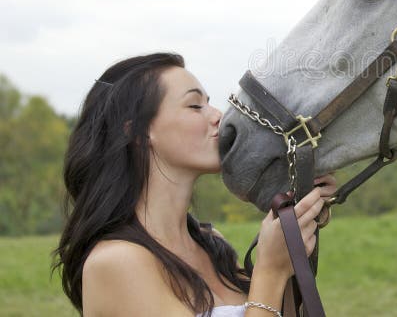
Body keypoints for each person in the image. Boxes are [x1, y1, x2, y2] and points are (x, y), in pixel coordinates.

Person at [53, 53, 335, 316]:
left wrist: (295, 224)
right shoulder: (115, 262)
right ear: (138, 133)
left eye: (209, 103)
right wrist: (270, 270)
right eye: (195, 105)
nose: (218, 116)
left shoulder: (211, 243)